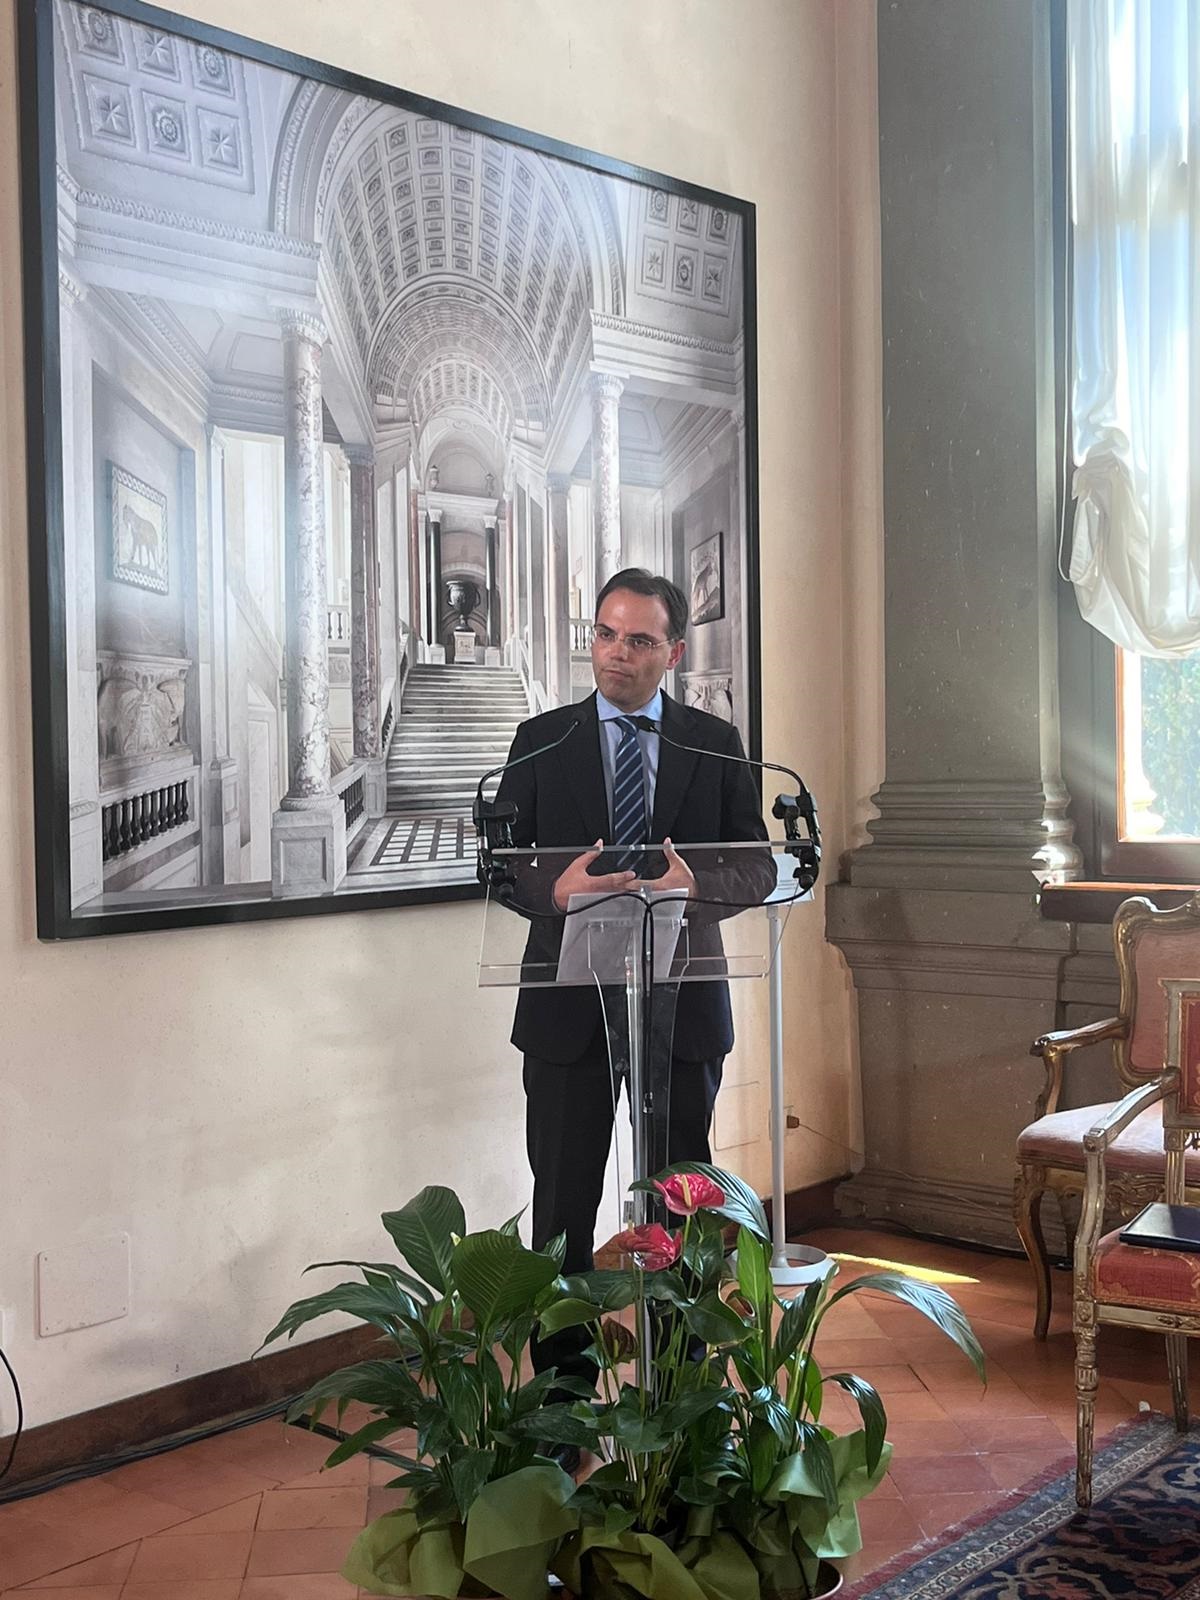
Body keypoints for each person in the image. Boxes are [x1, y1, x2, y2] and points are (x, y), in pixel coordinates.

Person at [495, 569, 773, 1410]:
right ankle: (563, 1400)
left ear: (673, 653)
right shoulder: (540, 741)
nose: (617, 653)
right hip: (569, 1012)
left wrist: (698, 883)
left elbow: (756, 866)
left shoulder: (713, 744)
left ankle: (681, 1386)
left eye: (640, 640)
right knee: (564, 1202)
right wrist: (553, 890)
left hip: (682, 1006)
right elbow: (499, 866)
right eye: (606, 634)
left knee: (681, 1199)